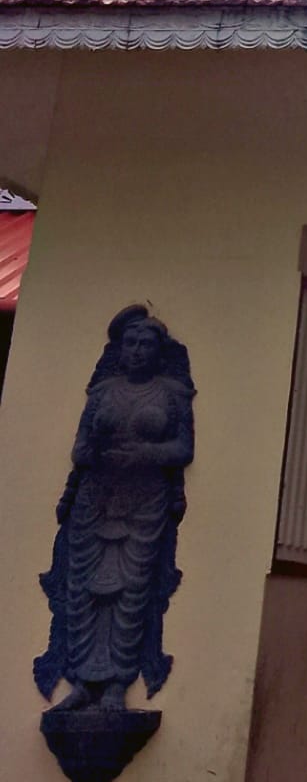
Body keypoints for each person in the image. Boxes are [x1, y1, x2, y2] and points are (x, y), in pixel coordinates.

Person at [34, 305, 195, 712]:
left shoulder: (172, 395)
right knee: (84, 590)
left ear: (159, 352)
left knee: (131, 591)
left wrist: (144, 453)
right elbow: (80, 448)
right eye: (131, 343)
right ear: (121, 350)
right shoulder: (103, 393)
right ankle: (82, 683)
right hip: (96, 499)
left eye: (146, 344)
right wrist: (95, 449)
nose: (138, 350)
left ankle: (116, 685)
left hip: (144, 502)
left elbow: (182, 448)